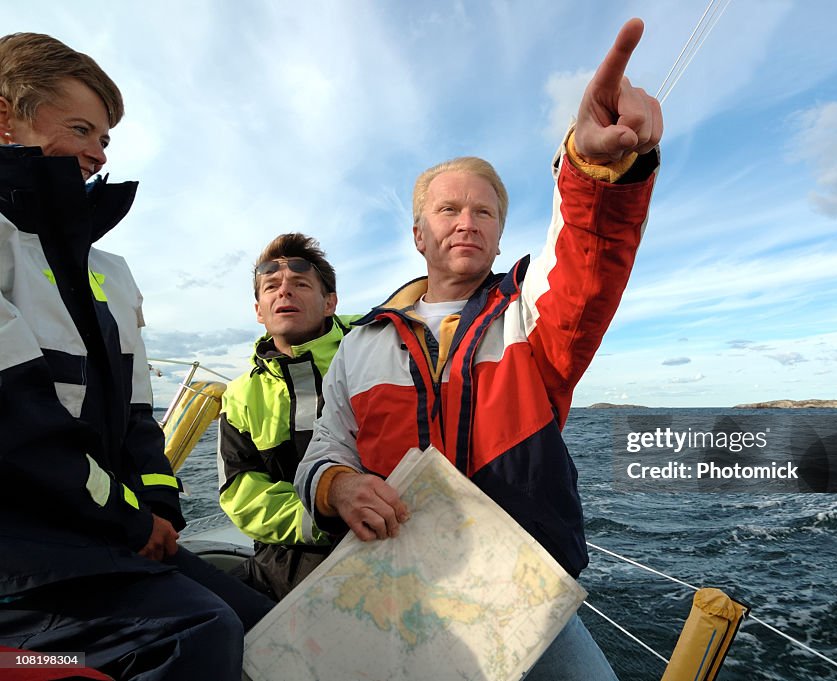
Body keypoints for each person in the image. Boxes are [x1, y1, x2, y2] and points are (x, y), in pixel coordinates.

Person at [296, 18, 661, 679]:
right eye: (447, 210)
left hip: (519, 594)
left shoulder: (530, 318)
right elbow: (326, 450)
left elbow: (588, 260)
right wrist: (338, 485)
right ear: (417, 234)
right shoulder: (360, 345)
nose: (466, 221)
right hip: (394, 587)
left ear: (499, 238)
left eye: (484, 212)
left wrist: (598, 169)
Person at [0, 32, 273, 679]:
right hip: (21, 557)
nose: (98, 153)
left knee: (268, 624)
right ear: (5, 117)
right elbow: (20, 426)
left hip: (95, 539)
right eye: (80, 128)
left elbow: (138, 419)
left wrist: (161, 512)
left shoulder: (111, 272)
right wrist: (129, 520)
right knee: (195, 632)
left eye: (105, 139)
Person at [217, 233, 361, 600]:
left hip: (390, 535)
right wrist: (325, 516)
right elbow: (240, 493)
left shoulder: (378, 347)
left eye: (300, 284)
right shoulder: (239, 397)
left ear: (330, 303)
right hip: (288, 561)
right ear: (259, 310)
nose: (284, 292)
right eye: (271, 287)